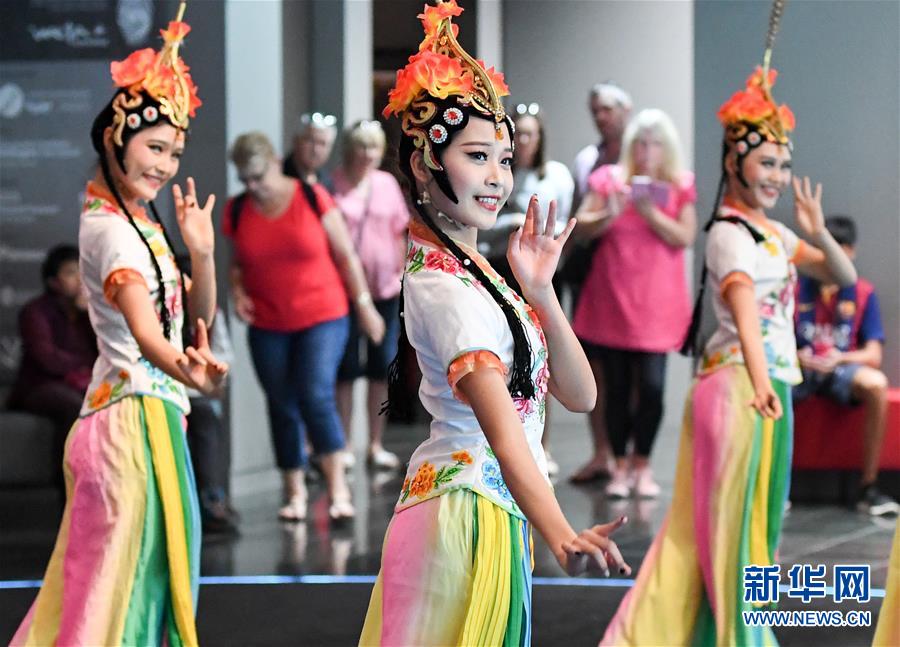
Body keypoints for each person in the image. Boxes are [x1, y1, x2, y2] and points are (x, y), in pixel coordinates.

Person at [359, 4, 630, 644]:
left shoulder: (477, 268)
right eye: (477, 156)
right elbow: (506, 438)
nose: (497, 178)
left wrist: (541, 291)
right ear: (425, 163)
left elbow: (580, 393)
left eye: (503, 159)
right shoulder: (444, 288)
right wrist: (561, 531)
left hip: (487, 511)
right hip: (459, 517)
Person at [600, 58, 857, 645]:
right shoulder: (726, 233)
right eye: (766, 162)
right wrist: (762, 381)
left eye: (783, 164)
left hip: (768, 385)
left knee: (757, 525)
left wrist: (817, 233)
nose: (776, 175)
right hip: (738, 387)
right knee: (728, 527)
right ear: (733, 163)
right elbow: (743, 313)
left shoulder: (775, 233)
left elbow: (841, 276)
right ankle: (740, 635)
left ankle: (727, 630)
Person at [12, 9, 227, 646]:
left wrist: (204, 253)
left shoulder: (140, 220)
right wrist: (188, 369)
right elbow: (144, 332)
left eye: (174, 153)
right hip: (125, 427)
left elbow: (199, 318)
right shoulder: (112, 230)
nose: (164, 165)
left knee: (138, 589)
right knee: (114, 595)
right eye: (154, 147)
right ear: (116, 139)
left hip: (147, 414)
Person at [224, 131, 385, 522]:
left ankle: (337, 488)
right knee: (281, 402)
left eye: (259, 176)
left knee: (315, 394)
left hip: (323, 314)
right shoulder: (237, 209)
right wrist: (237, 291)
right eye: (245, 179)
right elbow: (237, 263)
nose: (253, 186)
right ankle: (293, 490)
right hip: (268, 321)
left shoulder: (312, 197)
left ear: (276, 162)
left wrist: (365, 307)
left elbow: (345, 255)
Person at [572, 108, 697, 498]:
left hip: (657, 306)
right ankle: (620, 466)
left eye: (655, 143)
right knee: (617, 388)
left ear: (667, 148)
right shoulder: (609, 181)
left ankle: (643, 463)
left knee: (654, 387)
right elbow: (580, 227)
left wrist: (649, 214)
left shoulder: (679, 185)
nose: (647, 150)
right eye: (641, 143)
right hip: (613, 299)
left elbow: (685, 236)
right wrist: (609, 215)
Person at [793, 215, 899, 516]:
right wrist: (798, 357)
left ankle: (869, 487)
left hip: (841, 369)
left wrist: (840, 358)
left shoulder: (862, 292)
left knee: (876, 384)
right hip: (801, 368)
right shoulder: (797, 288)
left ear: (850, 252)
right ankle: (776, 488)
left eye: (839, 250)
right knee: (769, 382)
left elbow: (873, 354)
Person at [332, 119, 410, 471]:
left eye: (373, 147)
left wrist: (403, 271)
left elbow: (399, 231)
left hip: (385, 287)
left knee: (381, 368)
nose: (367, 154)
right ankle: (345, 443)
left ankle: (375, 443)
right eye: (361, 146)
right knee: (345, 369)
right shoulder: (334, 183)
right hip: (344, 290)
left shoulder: (386, 183)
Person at [566, 82, 632, 485]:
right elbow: (581, 216)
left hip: (632, 275)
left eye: (607, 109)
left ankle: (627, 456)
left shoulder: (642, 157)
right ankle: (602, 452)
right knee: (594, 366)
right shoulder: (588, 160)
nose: (600, 117)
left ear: (624, 110)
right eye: (595, 110)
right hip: (592, 272)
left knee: (632, 372)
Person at [7, 244, 98, 469]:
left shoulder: (90, 311)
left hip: (83, 383)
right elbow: (47, 358)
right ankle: (68, 481)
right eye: (70, 272)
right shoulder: (35, 312)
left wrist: (89, 316)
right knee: (74, 406)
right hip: (40, 386)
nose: (79, 279)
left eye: (81, 271)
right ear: (53, 282)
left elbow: (104, 351)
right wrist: (84, 365)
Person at [283, 111, 338, 186]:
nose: (316, 150)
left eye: (322, 144)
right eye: (311, 141)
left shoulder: (327, 182)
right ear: (296, 141)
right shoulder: (280, 175)